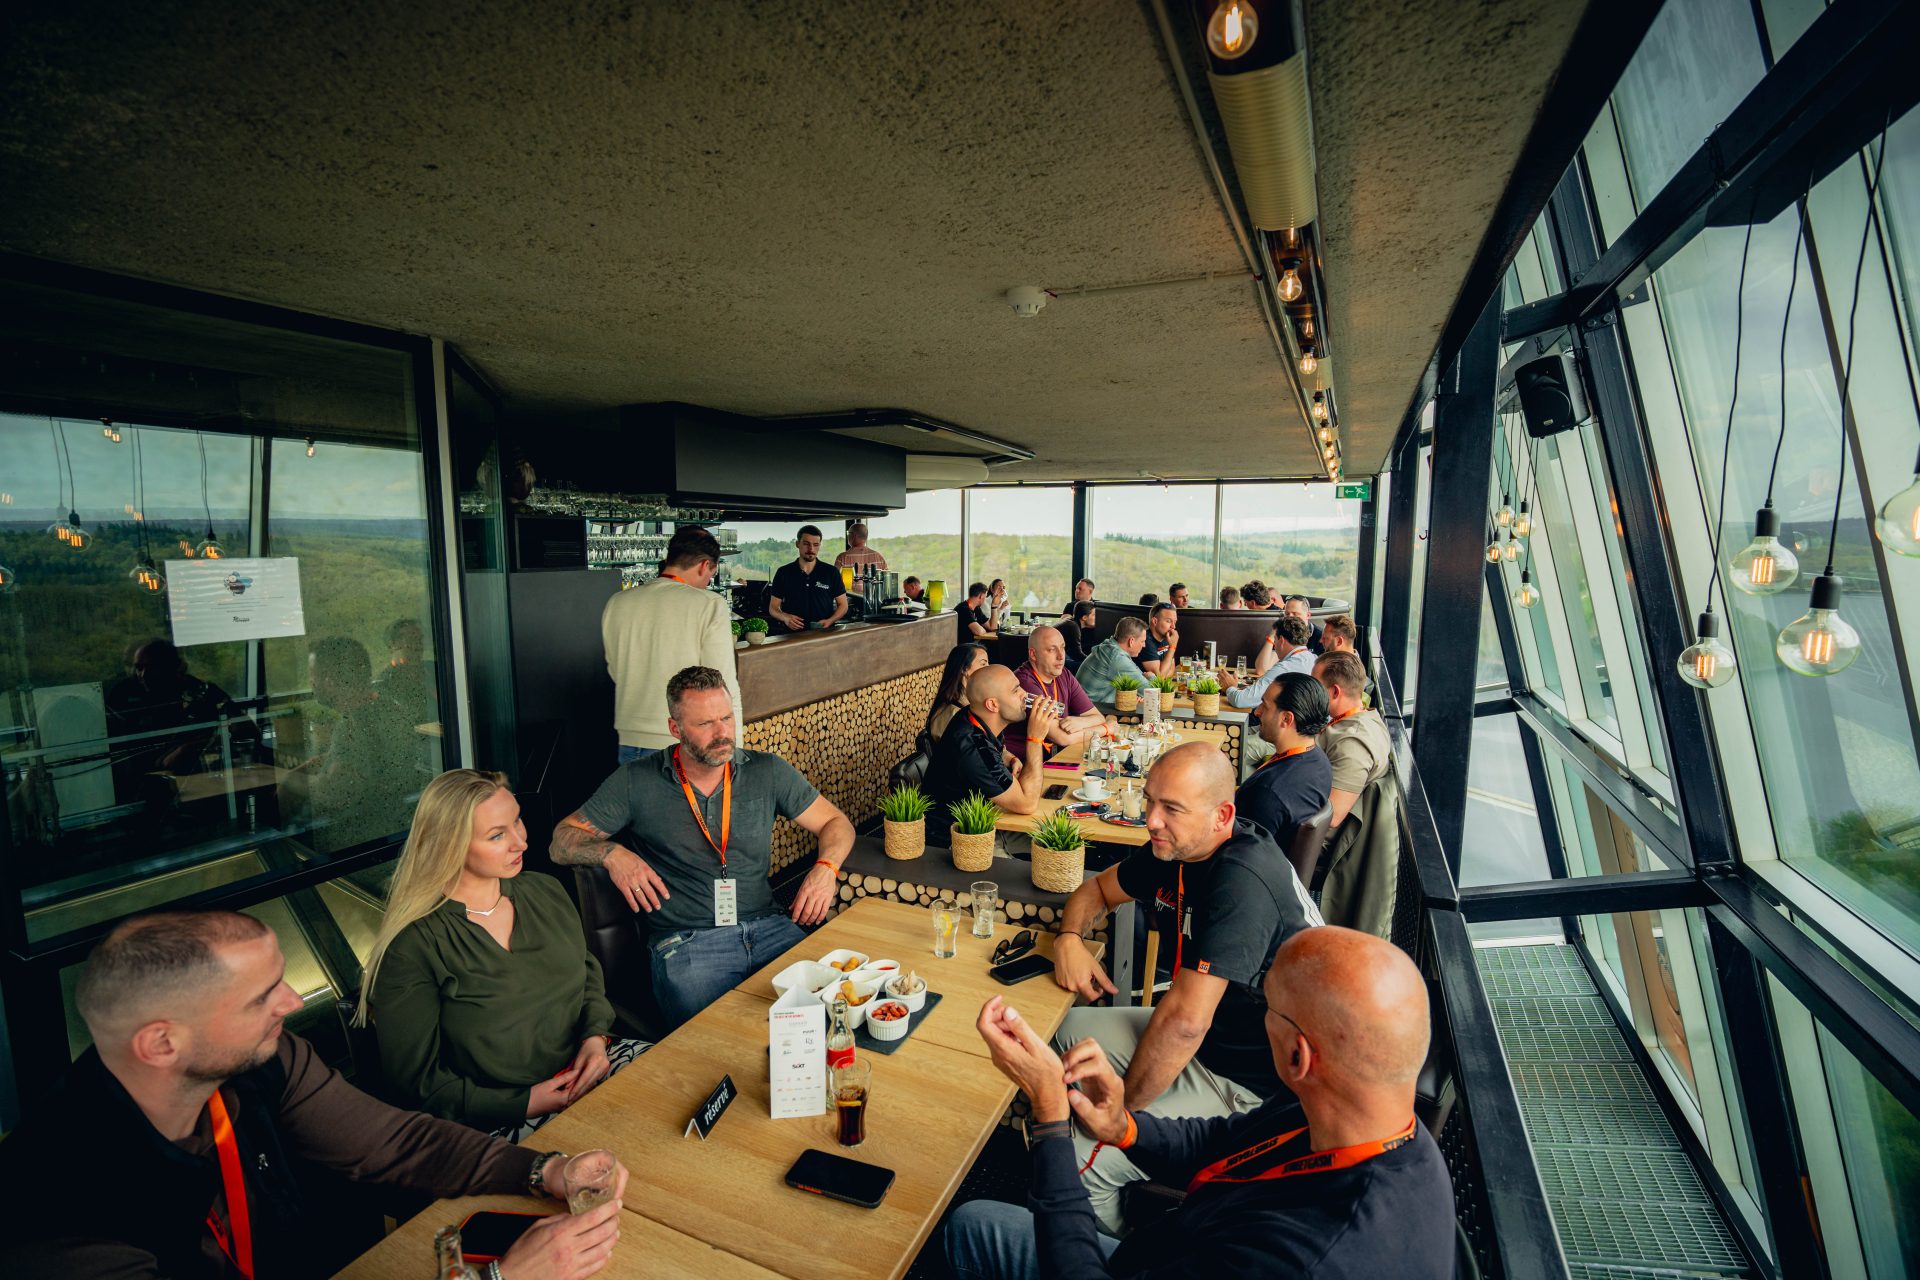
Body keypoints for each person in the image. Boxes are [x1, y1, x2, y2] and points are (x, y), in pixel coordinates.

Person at [0, 910, 630, 1280]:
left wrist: (545, 1169)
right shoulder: (58, 1222)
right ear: (162, 1043)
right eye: (261, 997)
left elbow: (391, 1142)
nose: (293, 1000)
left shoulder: (261, 1061)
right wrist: (499, 1277)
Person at [946, 927, 1453, 1279]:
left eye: (1268, 1006)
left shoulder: (1303, 1260)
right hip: (1172, 1248)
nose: (1260, 1015)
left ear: (1299, 1055)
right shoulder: (1357, 1114)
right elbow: (1225, 1141)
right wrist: (1124, 1127)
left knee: (968, 1228)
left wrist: (1051, 1115)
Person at [1044, 744, 1322, 1233]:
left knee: (1081, 1160)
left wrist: (1120, 1116)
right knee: (1063, 1028)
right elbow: (1097, 890)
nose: (1151, 820)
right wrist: (1069, 939)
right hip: (1203, 1037)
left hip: (1249, 1083)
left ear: (1222, 816)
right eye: (1151, 801)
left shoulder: (1242, 880)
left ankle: (1118, 1254)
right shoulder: (1177, 847)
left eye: (1171, 808)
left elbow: (1186, 1024)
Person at [550, 666, 856, 1027]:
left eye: (726, 717)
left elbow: (836, 823)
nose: (722, 733)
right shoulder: (636, 781)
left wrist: (826, 869)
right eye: (705, 723)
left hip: (770, 928)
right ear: (675, 728)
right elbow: (561, 839)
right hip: (688, 945)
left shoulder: (766, 770)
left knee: (831, 1014)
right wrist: (612, 854)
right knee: (718, 1037)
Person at [358, 770, 648, 1135]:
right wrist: (525, 1103)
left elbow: (587, 974)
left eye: (517, 821)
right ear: (450, 845)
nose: (521, 842)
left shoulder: (545, 890)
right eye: (497, 835)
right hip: (496, 1118)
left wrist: (595, 1039)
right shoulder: (414, 946)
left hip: (595, 1066)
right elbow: (416, 1082)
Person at [602, 525, 742, 765]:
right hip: (682, 739)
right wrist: (735, 750)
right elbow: (721, 683)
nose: (708, 582)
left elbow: (616, 670)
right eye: (710, 575)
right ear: (704, 565)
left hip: (628, 736)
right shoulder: (709, 604)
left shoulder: (618, 602)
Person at [280, 637, 420, 853]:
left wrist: (283, 779)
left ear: (329, 680)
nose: (311, 683)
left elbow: (335, 793)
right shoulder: (389, 708)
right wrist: (327, 759)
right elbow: (371, 760)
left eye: (313, 675)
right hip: (395, 830)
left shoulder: (351, 727)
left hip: (358, 845)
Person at [924, 664, 1061, 821]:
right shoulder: (974, 749)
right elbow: (1027, 805)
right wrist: (1035, 739)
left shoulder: (972, 716)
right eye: (1015, 690)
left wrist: (1008, 757)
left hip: (984, 816)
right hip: (958, 832)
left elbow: (991, 750)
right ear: (993, 705)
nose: (1024, 694)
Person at [105, 638, 248, 782]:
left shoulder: (199, 691)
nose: (143, 674)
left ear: (171, 667)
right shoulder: (124, 695)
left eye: (152, 667)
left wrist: (199, 745)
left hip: (197, 777)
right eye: (139, 668)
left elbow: (245, 732)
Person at [1235, 673, 1333, 848]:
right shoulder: (1319, 760)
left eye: (1264, 706)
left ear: (1286, 719)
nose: (1257, 712)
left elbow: (1241, 852)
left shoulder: (1268, 792)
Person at [1008, 625, 1111, 759]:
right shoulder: (1024, 682)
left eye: (1062, 647)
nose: (1061, 656)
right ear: (1033, 654)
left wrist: (1080, 722)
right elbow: (1062, 737)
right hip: (1025, 763)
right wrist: (1106, 729)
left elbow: (1098, 717)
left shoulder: (1064, 675)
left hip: (1056, 757)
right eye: (1052, 650)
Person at [1316, 651, 1392, 830]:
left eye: (1315, 686)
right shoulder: (1364, 717)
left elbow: (1331, 816)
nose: (1310, 692)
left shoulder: (1352, 743)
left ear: (1335, 692)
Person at [1223, 614, 1315, 717]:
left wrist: (1230, 687)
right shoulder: (1314, 658)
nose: (1274, 645)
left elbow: (1241, 700)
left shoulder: (1284, 668)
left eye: (1275, 640)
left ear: (1281, 640)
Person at [766, 524, 847, 631]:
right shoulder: (783, 572)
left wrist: (830, 620)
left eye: (816, 545)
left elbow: (843, 605)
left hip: (824, 634)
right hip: (792, 635)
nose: (811, 549)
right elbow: (773, 608)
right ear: (797, 544)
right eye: (806, 544)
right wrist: (785, 617)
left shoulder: (831, 572)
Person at [373, 618, 437, 723]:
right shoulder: (385, 684)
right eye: (411, 639)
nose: (417, 645)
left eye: (419, 639)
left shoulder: (435, 669)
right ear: (394, 645)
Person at [1075, 617, 1150, 703]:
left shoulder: (1109, 647)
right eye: (1142, 641)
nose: (1144, 645)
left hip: (1085, 704)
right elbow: (1152, 692)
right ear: (1131, 641)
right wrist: (1151, 676)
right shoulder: (1117, 658)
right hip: (1092, 708)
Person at [926, 642, 988, 743]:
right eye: (983, 664)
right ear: (964, 669)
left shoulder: (973, 701)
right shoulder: (951, 712)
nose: (988, 668)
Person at [831, 521, 886, 591]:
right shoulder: (879, 557)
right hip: (875, 596)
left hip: (850, 597)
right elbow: (887, 580)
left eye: (848, 533)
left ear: (854, 536)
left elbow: (833, 582)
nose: (847, 536)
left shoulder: (842, 557)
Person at [1136, 602, 1179, 677]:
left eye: (1174, 622)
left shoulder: (1167, 636)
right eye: (1168, 621)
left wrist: (1163, 671)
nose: (1173, 626)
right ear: (1155, 621)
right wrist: (1172, 647)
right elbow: (1160, 677)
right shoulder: (1145, 640)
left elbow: (1172, 669)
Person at [1060, 600, 1098, 665]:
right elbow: (1077, 654)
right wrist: (1094, 662)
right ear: (1084, 617)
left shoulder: (1072, 622)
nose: (1096, 617)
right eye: (1094, 615)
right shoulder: (1073, 627)